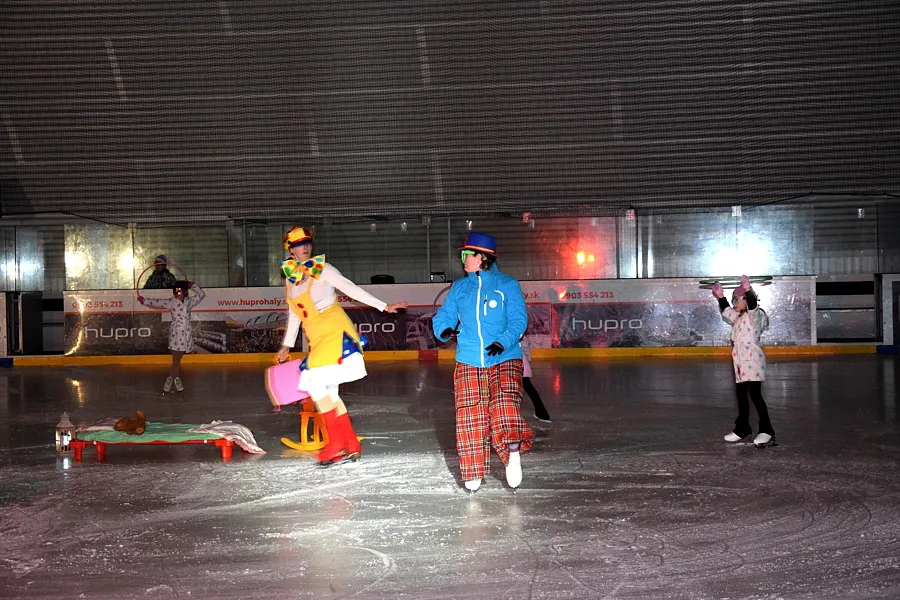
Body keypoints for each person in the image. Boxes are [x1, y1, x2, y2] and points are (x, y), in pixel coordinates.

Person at [275, 226, 408, 466]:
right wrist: (287, 344)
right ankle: (350, 444)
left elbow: (350, 288)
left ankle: (336, 443)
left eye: (307, 243)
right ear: (290, 250)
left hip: (336, 332)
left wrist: (383, 306)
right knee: (328, 392)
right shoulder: (290, 279)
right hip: (317, 339)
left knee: (313, 381)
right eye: (298, 245)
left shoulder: (323, 269)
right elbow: (295, 314)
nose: (305, 248)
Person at [432, 232, 534, 492]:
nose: (463, 260)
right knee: (470, 414)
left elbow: (518, 319)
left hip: (503, 356)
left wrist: (503, 341)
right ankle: (473, 468)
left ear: (481, 257)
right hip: (469, 358)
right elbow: (443, 315)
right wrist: (443, 329)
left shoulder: (507, 284)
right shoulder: (459, 288)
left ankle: (512, 452)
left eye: (466, 255)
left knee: (504, 405)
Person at [711, 274, 775, 447]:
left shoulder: (754, 316)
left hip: (752, 361)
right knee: (741, 395)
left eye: (737, 300)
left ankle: (767, 429)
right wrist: (720, 296)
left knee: (755, 395)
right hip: (740, 363)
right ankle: (743, 428)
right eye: (733, 300)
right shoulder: (738, 316)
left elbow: (752, 305)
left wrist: (748, 289)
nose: (734, 303)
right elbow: (726, 310)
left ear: (746, 299)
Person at [137, 280, 206, 392]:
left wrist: (193, 286)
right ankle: (173, 379)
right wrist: (144, 300)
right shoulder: (172, 302)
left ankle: (172, 378)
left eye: (179, 291)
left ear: (185, 292)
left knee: (177, 359)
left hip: (186, 333)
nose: (177, 294)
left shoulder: (189, 301)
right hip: (176, 333)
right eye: (175, 292)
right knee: (176, 359)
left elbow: (201, 294)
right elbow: (158, 302)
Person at [520, 336, 551, 422]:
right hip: (520, 364)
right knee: (529, 388)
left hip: (515, 364)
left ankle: (542, 413)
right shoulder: (517, 335)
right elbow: (526, 349)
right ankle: (542, 413)